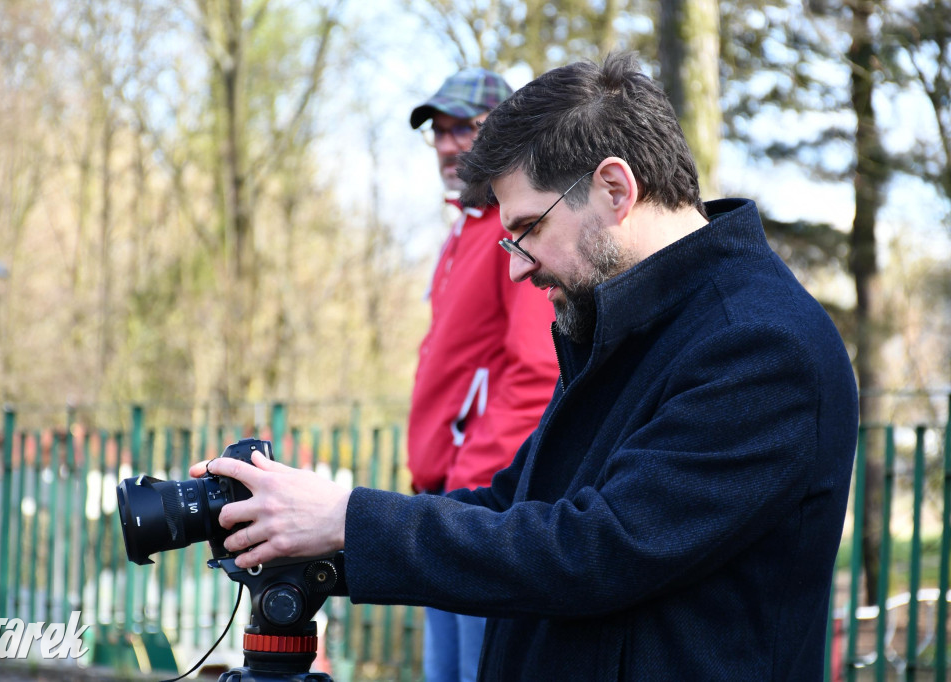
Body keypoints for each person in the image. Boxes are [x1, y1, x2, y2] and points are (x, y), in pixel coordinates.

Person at [192, 52, 859, 680]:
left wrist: (350, 518)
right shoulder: (634, 325)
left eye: (529, 228)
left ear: (614, 188)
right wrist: (308, 532)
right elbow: (512, 506)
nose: (516, 267)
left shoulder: (760, 344)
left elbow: (595, 550)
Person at [405, 67, 559, 682]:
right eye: (439, 132)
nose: (448, 145)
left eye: (464, 128)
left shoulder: (510, 229)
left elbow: (535, 369)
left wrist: (473, 483)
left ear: (502, 131)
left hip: (476, 509)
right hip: (440, 503)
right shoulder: (463, 232)